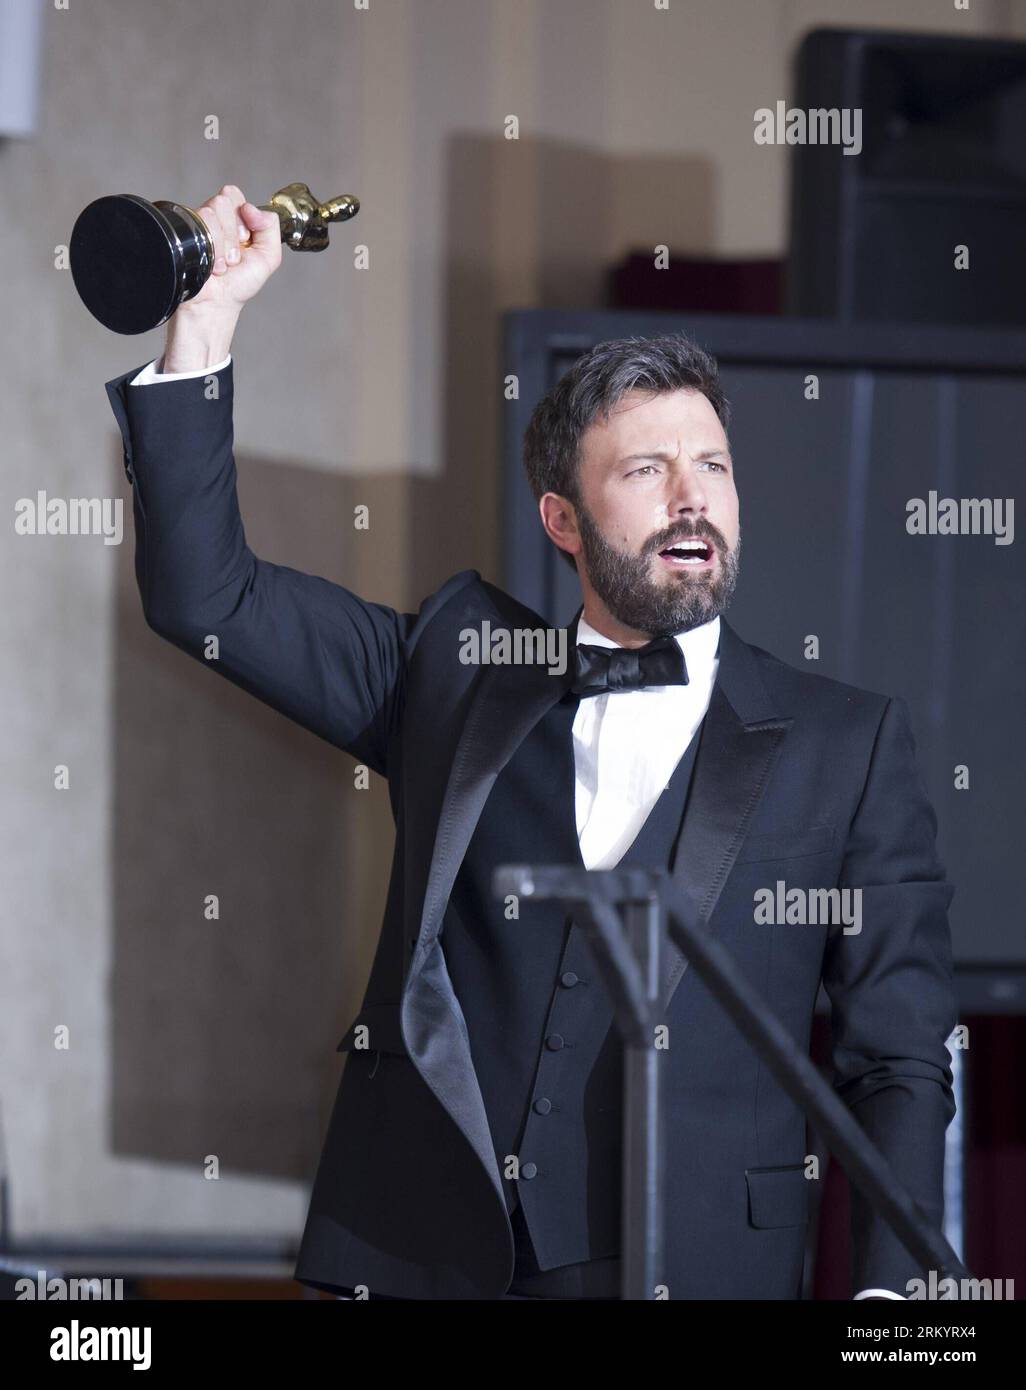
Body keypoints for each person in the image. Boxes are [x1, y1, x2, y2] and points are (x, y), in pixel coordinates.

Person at [104, 184, 957, 1301]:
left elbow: (898, 1057)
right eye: (645, 472)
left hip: (695, 1268)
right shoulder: (450, 673)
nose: (690, 500)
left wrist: (893, 1299)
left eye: (713, 467)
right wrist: (205, 323)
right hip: (422, 1260)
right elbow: (207, 596)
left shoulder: (849, 743)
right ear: (563, 518)